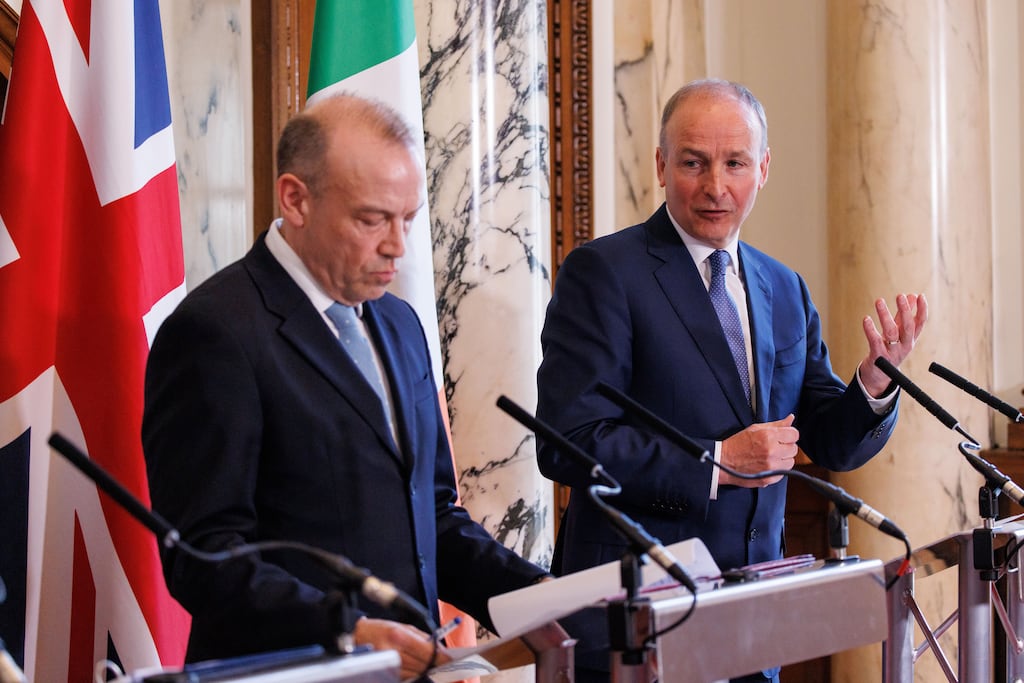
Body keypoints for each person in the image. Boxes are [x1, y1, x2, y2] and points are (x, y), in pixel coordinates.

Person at [142, 93, 548, 679]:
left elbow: (431, 518)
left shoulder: (400, 324)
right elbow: (204, 557)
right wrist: (345, 626)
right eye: (372, 218)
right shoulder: (216, 332)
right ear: (295, 199)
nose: (397, 246)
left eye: (406, 220)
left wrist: (544, 597)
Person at [535, 78, 927, 682]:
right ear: (662, 165)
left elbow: (826, 437)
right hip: (637, 618)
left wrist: (875, 385)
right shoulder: (604, 273)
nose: (716, 186)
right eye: (694, 162)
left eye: (735, 163)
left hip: (750, 618)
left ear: (763, 168)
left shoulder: (784, 287)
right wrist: (715, 461)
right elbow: (568, 441)